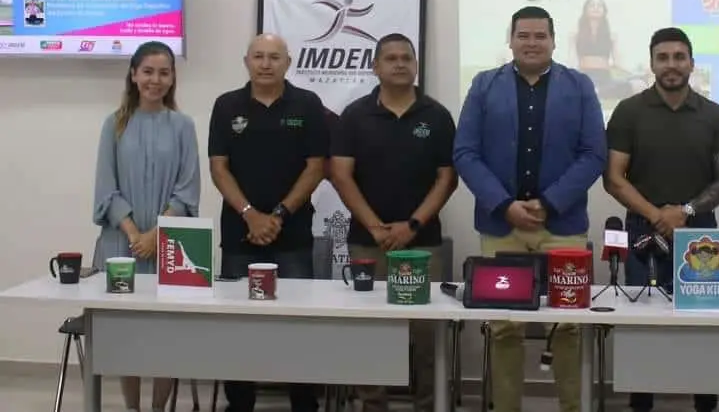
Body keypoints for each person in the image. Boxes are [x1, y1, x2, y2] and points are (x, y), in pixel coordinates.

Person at [454, 6, 606, 412]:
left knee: (569, 327)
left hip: (563, 225)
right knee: (504, 328)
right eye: (524, 35)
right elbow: (465, 152)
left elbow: (594, 154)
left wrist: (549, 201)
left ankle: (573, 407)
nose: (532, 43)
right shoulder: (484, 86)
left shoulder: (580, 86)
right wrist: (504, 206)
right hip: (502, 227)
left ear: (554, 41)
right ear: (511, 39)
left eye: (541, 36)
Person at [603, 27, 719, 412]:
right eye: (663, 57)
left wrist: (685, 212)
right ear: (651, 63)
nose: (671, 65)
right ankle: (641, 403)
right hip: (640, 232)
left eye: (679, 57)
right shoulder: (629, 111)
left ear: (691, 63)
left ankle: (705, 404)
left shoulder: (714, 115)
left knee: (702, 329)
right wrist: (657, 215)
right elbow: (614, 178)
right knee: (642, 327)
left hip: (700, 235)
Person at [328, 33, 458, 412]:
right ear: (376, 67)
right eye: (391, 58)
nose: (400, 64)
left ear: (416, 66)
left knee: (426, 333)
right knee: (371, 330)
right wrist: (376, 228)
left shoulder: (436, 115)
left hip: (423, 242)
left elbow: (447, 179)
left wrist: (411, 226)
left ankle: (428, 403)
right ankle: (373, 405)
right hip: (367, 242)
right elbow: (341, 175)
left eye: (407, 58)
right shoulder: (354, 116)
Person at [208, 33, 329, 412]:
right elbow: (218, 167)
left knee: (298, 323)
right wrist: (250, 215)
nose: (265, 64)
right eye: (258, 56)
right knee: (238, 323)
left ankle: (303, 401)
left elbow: (316, 167)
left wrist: (277, 216)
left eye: (273, 57)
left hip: (291, 235)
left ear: (288, 63)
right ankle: (240, 402)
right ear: (246, 62)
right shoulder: (227, 106)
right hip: (239, 234)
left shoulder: (307, 104)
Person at [91, 41, 200, 412]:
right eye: (148, 71)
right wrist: (136, 234)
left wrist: (158, 233)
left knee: (164, 334)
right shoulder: (114, 124)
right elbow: (106, 187)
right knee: (127, 334)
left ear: (172, 78)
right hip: (122, 245)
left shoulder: (184, 126)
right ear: (134, 75)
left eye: (164, 72)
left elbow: (188, 188)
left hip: (169, 245)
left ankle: (158, 409)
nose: (156, 79)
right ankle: (132, 409)